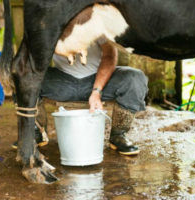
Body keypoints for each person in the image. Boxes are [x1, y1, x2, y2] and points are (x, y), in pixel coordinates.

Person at [13, 39, 148, 155]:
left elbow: (109, 55)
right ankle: (37, 131)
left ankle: (119, 135)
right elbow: (35, 56)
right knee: (21, 76)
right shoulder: (51, 21)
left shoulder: (96, 18)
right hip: (62, 81)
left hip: (100, 80)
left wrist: (97, 91)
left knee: (135, 78)